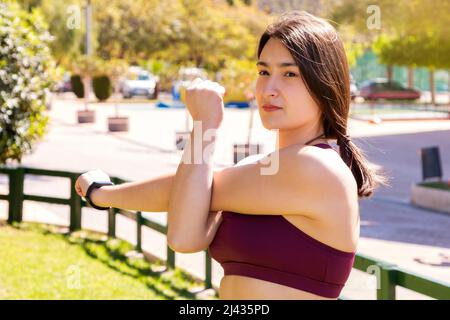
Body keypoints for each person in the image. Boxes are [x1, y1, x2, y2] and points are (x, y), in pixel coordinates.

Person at [75, 11, 386, 300]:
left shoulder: (315, 166)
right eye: (264, 71)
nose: (269, 88)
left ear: (324, 84)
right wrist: (102, 194)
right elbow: (191, 219)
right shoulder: (263, 168)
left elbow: (183, 230)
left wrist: (205, 126)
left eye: (289, 74)